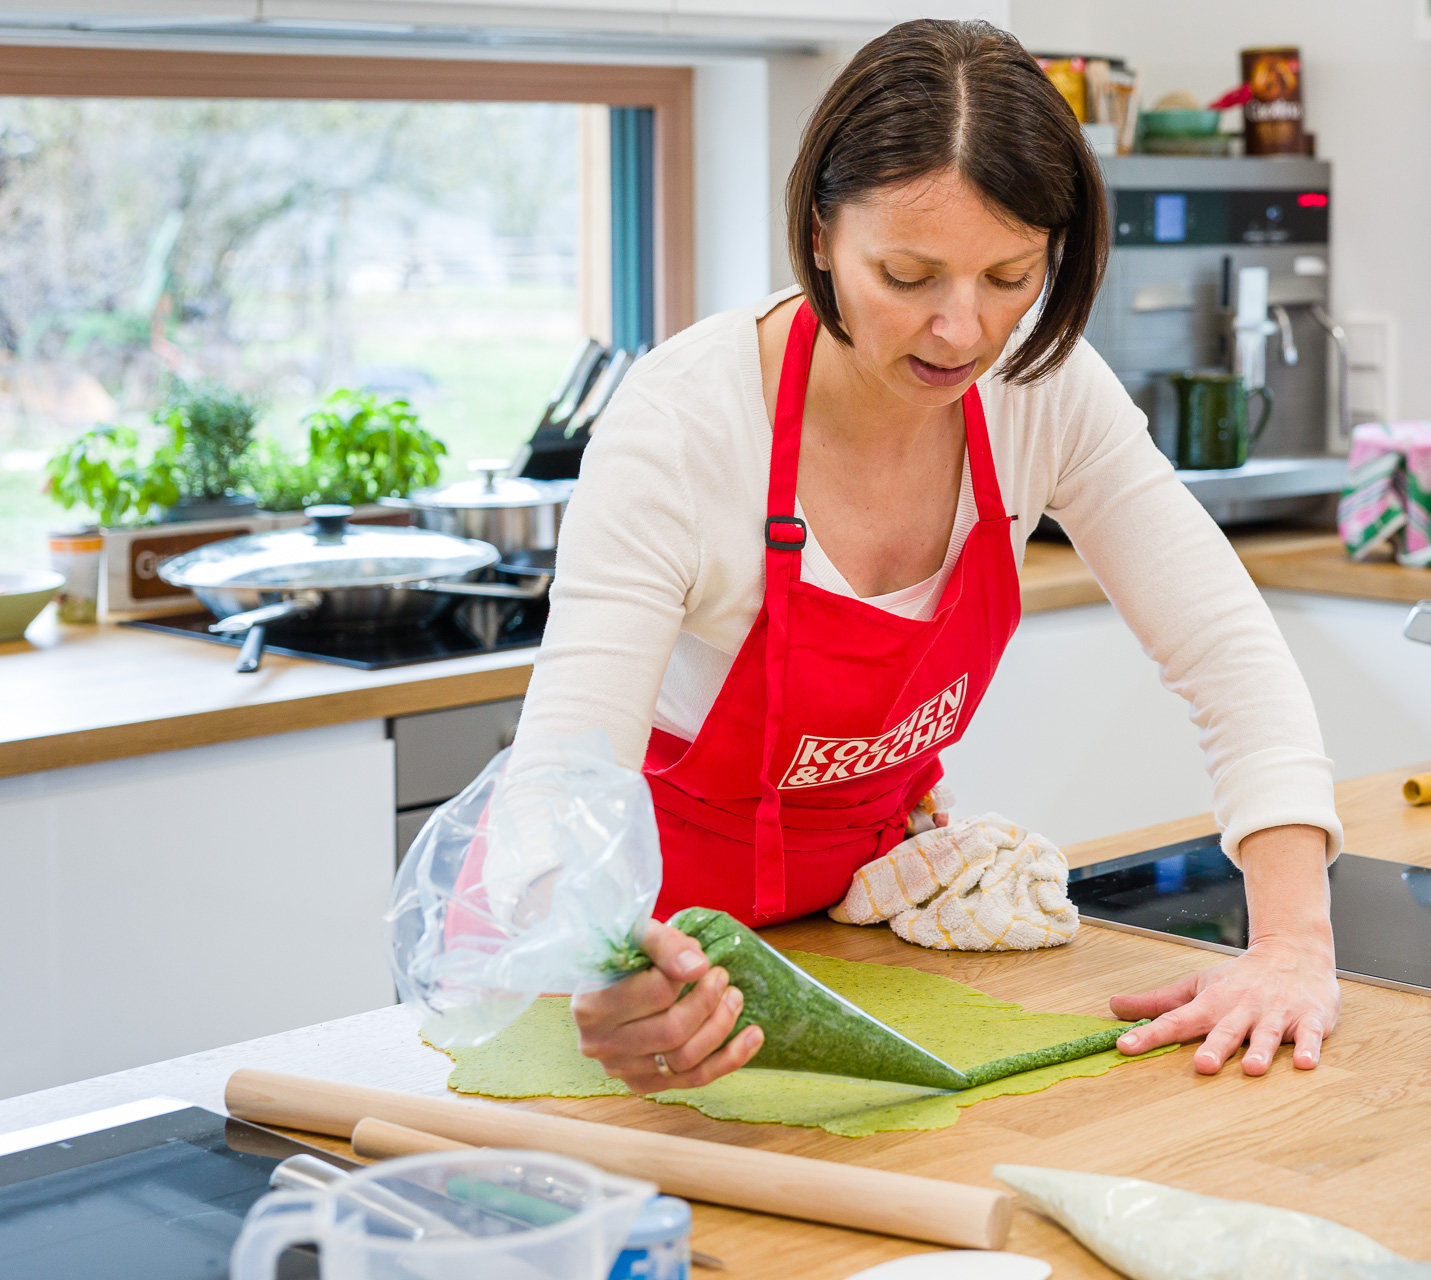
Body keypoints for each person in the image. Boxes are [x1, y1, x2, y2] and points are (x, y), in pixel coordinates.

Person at [510, 18, 1343, 1095]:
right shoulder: (683, 427)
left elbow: (1227, 654)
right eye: (907, 274)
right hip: (648, 962)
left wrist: (1291, 946)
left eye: (1011, 276)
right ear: (818, 233)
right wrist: (600, 964)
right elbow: (565, 774)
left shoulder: (1044, 392)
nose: (962, 330)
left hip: (860, 939)